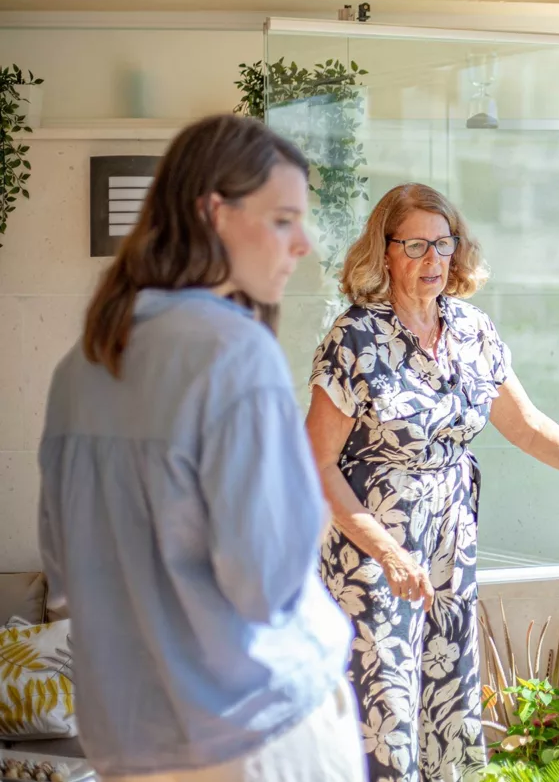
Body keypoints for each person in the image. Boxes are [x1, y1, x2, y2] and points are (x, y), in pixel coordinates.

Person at [306, 183, 559, 781]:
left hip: (451, 536)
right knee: (384, 707)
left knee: (448, 698)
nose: (432, 260)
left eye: (443, 244)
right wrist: (389, 553)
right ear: (386, 251)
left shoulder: (471, 330)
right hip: (374, 550)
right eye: (416, 245)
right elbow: (315, 462)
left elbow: (526, 427)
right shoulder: (354, 338)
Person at [38, 115, 364, 782]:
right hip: (261, 735)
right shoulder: (236, 353)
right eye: (282, 220)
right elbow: (268, 581)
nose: (303, 244)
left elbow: (64, 576)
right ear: (214, 213)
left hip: (130, 744)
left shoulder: (78, 368)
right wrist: (315, 500)